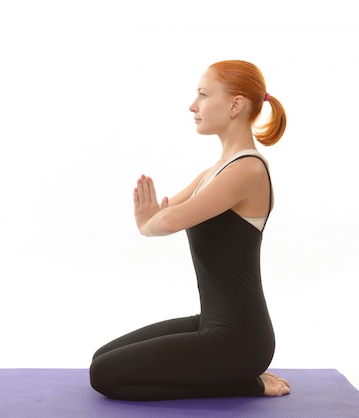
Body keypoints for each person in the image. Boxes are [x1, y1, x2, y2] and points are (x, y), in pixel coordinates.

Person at [89, 60, 291, 401]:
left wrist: (151, 223)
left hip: (238, 339)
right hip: (211, 323)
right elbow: (160, 218)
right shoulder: (212, 173)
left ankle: (244, 383)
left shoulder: (248, 171)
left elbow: (165, 222)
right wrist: (150, 222)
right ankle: (234, 376)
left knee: (104, 376)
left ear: (235, 104)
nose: (192, 105)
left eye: (203, 94)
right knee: (103, 359)